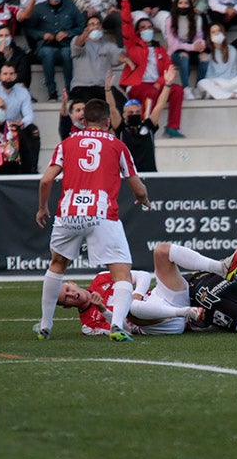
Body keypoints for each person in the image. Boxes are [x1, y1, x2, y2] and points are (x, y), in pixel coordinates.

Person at [33, 97, 152, 343]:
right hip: (101, 213)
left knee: (57, 265)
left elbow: (46, 180)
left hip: (69, 212)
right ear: (108, 121)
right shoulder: (118, 145)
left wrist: (43, 208)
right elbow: (136, 185)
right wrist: (144, 199)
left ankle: (45, 326)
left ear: (83, 120)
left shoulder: (65, 144)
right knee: (121, 272)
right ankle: (117, 325)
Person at [60, 242, 237, 336]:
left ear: (72, 283)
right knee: (129, 308)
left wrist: (137, 294)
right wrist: (103, 310)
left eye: (67, 290)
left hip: (157, 297)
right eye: (66, 299)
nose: (72, 295)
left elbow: (144, 276)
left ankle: (221, 267)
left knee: (161, 251)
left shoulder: (101, 278)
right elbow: (122, 330)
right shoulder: (88, 326)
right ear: (67, 306)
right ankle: (187, 313)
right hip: (154, 324)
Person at [120, 0, 185, 136]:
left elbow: (169, 69)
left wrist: (159, 83)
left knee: (177, 90)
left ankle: (172, 127)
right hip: (138, 84)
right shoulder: (132, 44)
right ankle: (146, 127)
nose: (147, 30)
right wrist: (125, 2)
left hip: (155, 84)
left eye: (149, 27)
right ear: (137, 31)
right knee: (151, 93)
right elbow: (126, 24)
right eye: (143, 28)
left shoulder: (159, 48)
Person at [25, 0, 85, 100]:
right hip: (45, 46)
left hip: (65, 44)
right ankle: (52, 91)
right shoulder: (39, 8)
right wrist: (43, 35)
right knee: (48, 53)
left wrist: (68, 33)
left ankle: (70, 90)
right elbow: (29, 29)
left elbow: (81, 26)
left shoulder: (71, 7)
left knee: (67, 52)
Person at [108, 64, 176, 171]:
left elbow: (160, 105)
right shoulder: (121, 128)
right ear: (124, 114)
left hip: (150, 175)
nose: (134, 114)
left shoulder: (148, 126)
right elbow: (112, 108)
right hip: (128, 177)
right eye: (131, 112)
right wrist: (107, 90)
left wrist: (167, 84)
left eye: (137, 112)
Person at [0, 63, 41, 172]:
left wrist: (22, 123)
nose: (8, 77)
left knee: (33, 131)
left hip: (16, 125)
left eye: (11, 74)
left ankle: (32, 168)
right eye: (5, 74)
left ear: (15, 76)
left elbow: (29, 115)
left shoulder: (23, 92)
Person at [68, 14, 128, 105]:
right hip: (83, 87)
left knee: (123, 103)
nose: (96, 26)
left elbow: (120, 55)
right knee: (91, 107)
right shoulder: (78, 40)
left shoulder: (107, 45)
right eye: (92, 24)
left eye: (98, 24)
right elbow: (77, 45)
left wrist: (125, 58)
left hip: (104, 87)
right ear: (86, 28)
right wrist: (84, 35)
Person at [195, 22, 237, 99]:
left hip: (230, 82)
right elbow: (208, 76)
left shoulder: (232, 50)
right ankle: (233, 95)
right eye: (213, 32)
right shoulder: (208, 53)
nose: (216, 34)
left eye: (219, 31)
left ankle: (224, 94)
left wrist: (229, 84)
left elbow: (234, 72)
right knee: (202, 83)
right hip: (216, 82)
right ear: (209, 36)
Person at [165, 0, 206, 99]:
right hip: (177, 50)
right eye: (180, 3)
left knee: (205, 58)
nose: (183, 6)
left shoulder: (197, 18)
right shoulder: (170, 19)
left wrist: (201, 45)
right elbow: (173, 44)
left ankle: (198, 88)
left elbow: (200, 37)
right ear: (176, 5)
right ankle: (186, 88)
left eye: (186, 3)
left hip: (192, 48)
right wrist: (192, 47)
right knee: (184, 56)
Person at [0, 24, 32, 90]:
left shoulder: (20, 54)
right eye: (1, 36)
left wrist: (8, 79)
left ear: (11, 38)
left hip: (14, 84)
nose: (4, 39)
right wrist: (0, 53)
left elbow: (23, 75)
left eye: (6, 36)